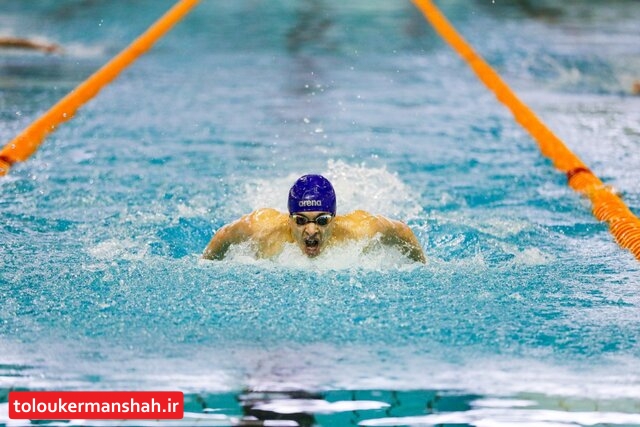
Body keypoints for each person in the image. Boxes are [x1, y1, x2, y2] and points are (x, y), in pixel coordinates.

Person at [202, 174, 426, 263]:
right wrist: (206, 267)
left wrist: (421, 268)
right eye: (301, 220)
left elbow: (402, 231)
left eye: (321, 220)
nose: (311, 230)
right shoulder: (262, 229)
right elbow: (225, 234)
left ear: (334, 219)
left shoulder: (359, 230)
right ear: (289, 218)